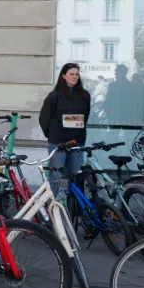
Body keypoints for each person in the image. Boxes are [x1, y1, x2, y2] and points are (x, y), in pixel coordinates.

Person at [38, 63, 91, 197]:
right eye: (71, 74)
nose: (74, 77)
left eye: (77, 74)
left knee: (75, 176)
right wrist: (52, 135)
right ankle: (54, 203)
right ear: (63, 76)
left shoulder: (84, 95)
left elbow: (85, 116)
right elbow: (44, 118)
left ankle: (73, 206)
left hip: (77, 142)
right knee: (56, 176)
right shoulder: (54, 96)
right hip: (58, 143)